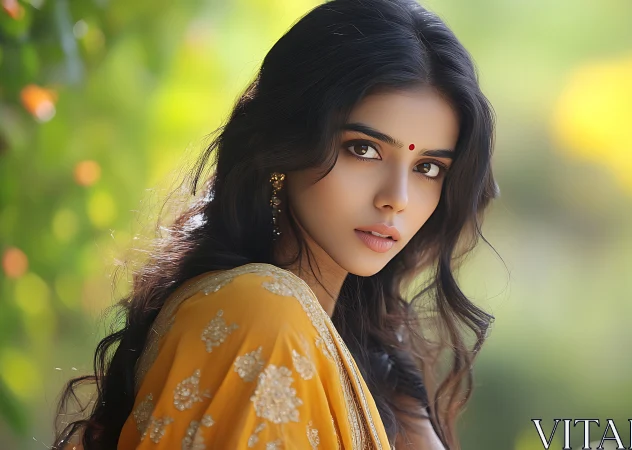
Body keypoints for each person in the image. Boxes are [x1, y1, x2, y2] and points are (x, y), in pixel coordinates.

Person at [52, 0, 500, 448]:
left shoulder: (356, 353)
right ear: (287, 141)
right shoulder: (264, 314)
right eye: (363, 149)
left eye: (427, 168)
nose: (396, 199)